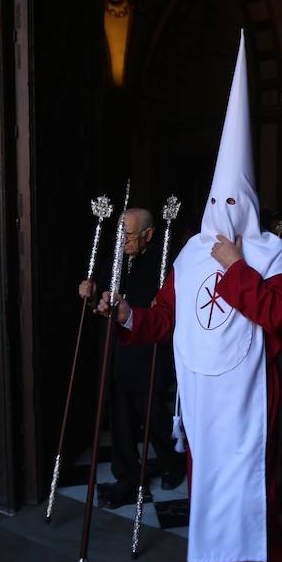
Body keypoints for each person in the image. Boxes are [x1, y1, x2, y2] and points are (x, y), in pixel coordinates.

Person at [97, 31, 282, 562]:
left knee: (250, 479)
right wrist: (126, 317)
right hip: (202, 391)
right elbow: (162, 317)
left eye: (234, 202)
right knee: (207, 479)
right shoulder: (187, 252)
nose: (224, 213)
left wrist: (235, 265)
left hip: (252, 392)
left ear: (250, 202)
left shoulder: (271, 252)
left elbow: (276, 315)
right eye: (217, 202)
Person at [79, 207, 185, 509]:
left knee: (153, 414)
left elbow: (169, 311)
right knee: (120, 417)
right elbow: (100, 301)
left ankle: (173, 462)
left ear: (148, 234)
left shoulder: (162, 261)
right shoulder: (113, 259)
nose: (122, 241)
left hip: (146, 352)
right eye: (120, 234)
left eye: (128, 235)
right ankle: (126, 475)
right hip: (114, 351)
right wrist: (91, 294)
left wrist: (158, 306)